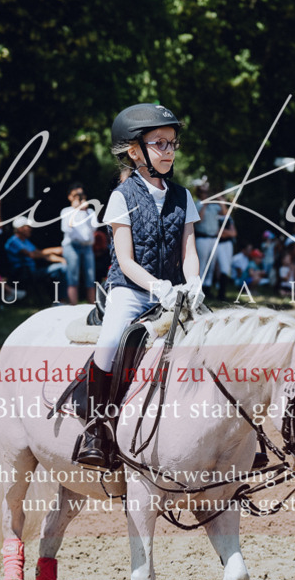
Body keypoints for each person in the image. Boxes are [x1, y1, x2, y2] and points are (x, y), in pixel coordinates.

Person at [74, 103, 203, 470]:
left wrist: (193, 284)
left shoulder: (183, 196)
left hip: (176, 292)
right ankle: (96, 429)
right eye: (159, 143)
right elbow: (126, 260)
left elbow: (189, 250)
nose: (169, 151)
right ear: (135, 151)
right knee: (110, 343)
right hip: (130, 290)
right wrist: (157, 286)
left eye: (172, 143)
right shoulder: (122, 196)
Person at [4, 217, 67, 297]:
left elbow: (41, 254)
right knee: (61, 269)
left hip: (31, 271)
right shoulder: (13, 241)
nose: (30, 229)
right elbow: (32, 254)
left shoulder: (26, 241)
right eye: (28, 227)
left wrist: (61, 260)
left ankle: (58, 299)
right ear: (20, 229)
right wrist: (53, 250)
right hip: (23, 273)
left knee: (61, 268)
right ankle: (62, 299)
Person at [60, 182, 98, 304]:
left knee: (90, 277)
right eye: (76, 195)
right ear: (69, 197)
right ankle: (72, 305)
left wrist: (85, 211)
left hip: (87, 247)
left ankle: (92, 306)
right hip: (72, 246)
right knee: (73, 276)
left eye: (81, 194)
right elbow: (66, 228)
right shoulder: (66, 211)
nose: (79, 197)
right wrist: (76, 210)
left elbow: (94, 227)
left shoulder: (90, 211)